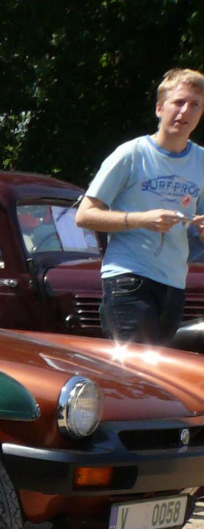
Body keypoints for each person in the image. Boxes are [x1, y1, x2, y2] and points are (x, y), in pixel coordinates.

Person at [75, 67, 204, 345]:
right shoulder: (131, 154)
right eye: (178, 102)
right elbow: (84, 215)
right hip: (128, 279)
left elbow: (199, 224)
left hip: (175, 284)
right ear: (160, 108)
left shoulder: (201, 161)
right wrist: (142, 219)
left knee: (158, 369)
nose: (185, 111)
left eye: (195, 105)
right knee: (136, 368)